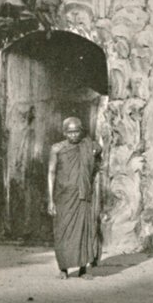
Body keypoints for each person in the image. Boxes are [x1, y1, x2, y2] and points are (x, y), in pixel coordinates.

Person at [47, 116, 103, 278]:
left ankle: (83, 269)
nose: (73, 135)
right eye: (70, 132)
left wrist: (96, 149)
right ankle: (63, 269)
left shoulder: (86, 145)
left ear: (81, 131)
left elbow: (98, 148)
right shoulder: (57, 149)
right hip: (63, 196)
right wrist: (50, 199)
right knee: (62, 232)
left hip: (82, 195)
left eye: (76, 131)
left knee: (83, 232)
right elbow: (51, 173)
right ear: (64, 133)